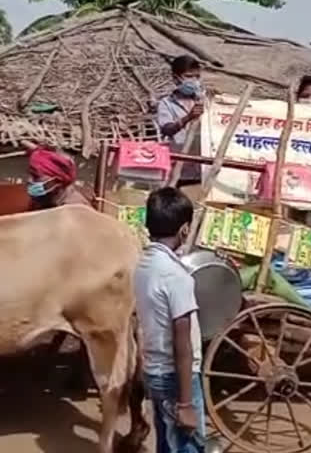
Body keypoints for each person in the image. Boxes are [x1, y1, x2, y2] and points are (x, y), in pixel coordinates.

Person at [134, 187, 205, 452]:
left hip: (154, 371)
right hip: (177, 377)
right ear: (184, 230)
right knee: (187, 446)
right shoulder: (176, 276)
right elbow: (182, 342)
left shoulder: (143, 265)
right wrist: (186, 404)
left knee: (167, 442)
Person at [156, 55, 206, 188]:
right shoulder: (166, 103)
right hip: (179, 169)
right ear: (176, 78)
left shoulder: (207, 100)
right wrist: (187, 118)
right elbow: (167, 129)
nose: (194, 81)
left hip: (204, 169)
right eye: (189, 76)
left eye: (197, 77)